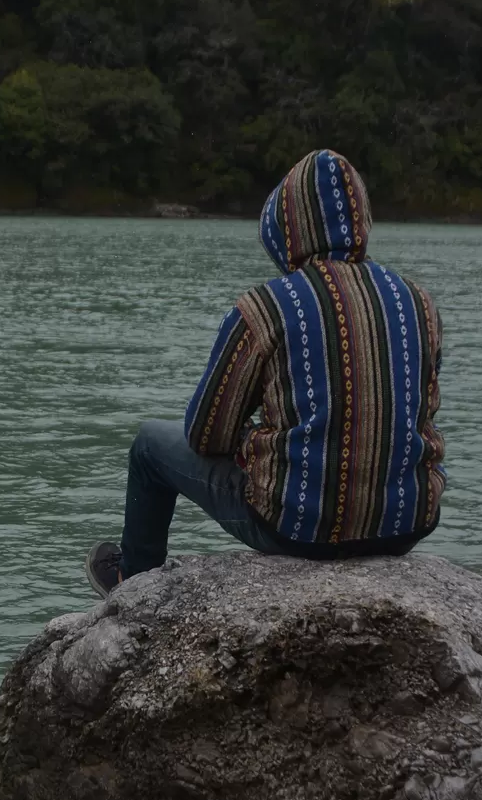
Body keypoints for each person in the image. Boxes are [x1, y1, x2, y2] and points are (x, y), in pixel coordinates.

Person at [86, 149, 445, 595]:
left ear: (285, 230)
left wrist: (251, 440)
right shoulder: (418, 302)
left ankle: (133, 579)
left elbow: (205, 436)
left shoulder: (267, 307)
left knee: (148, 446)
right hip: (404, 525)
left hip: (297, 528)